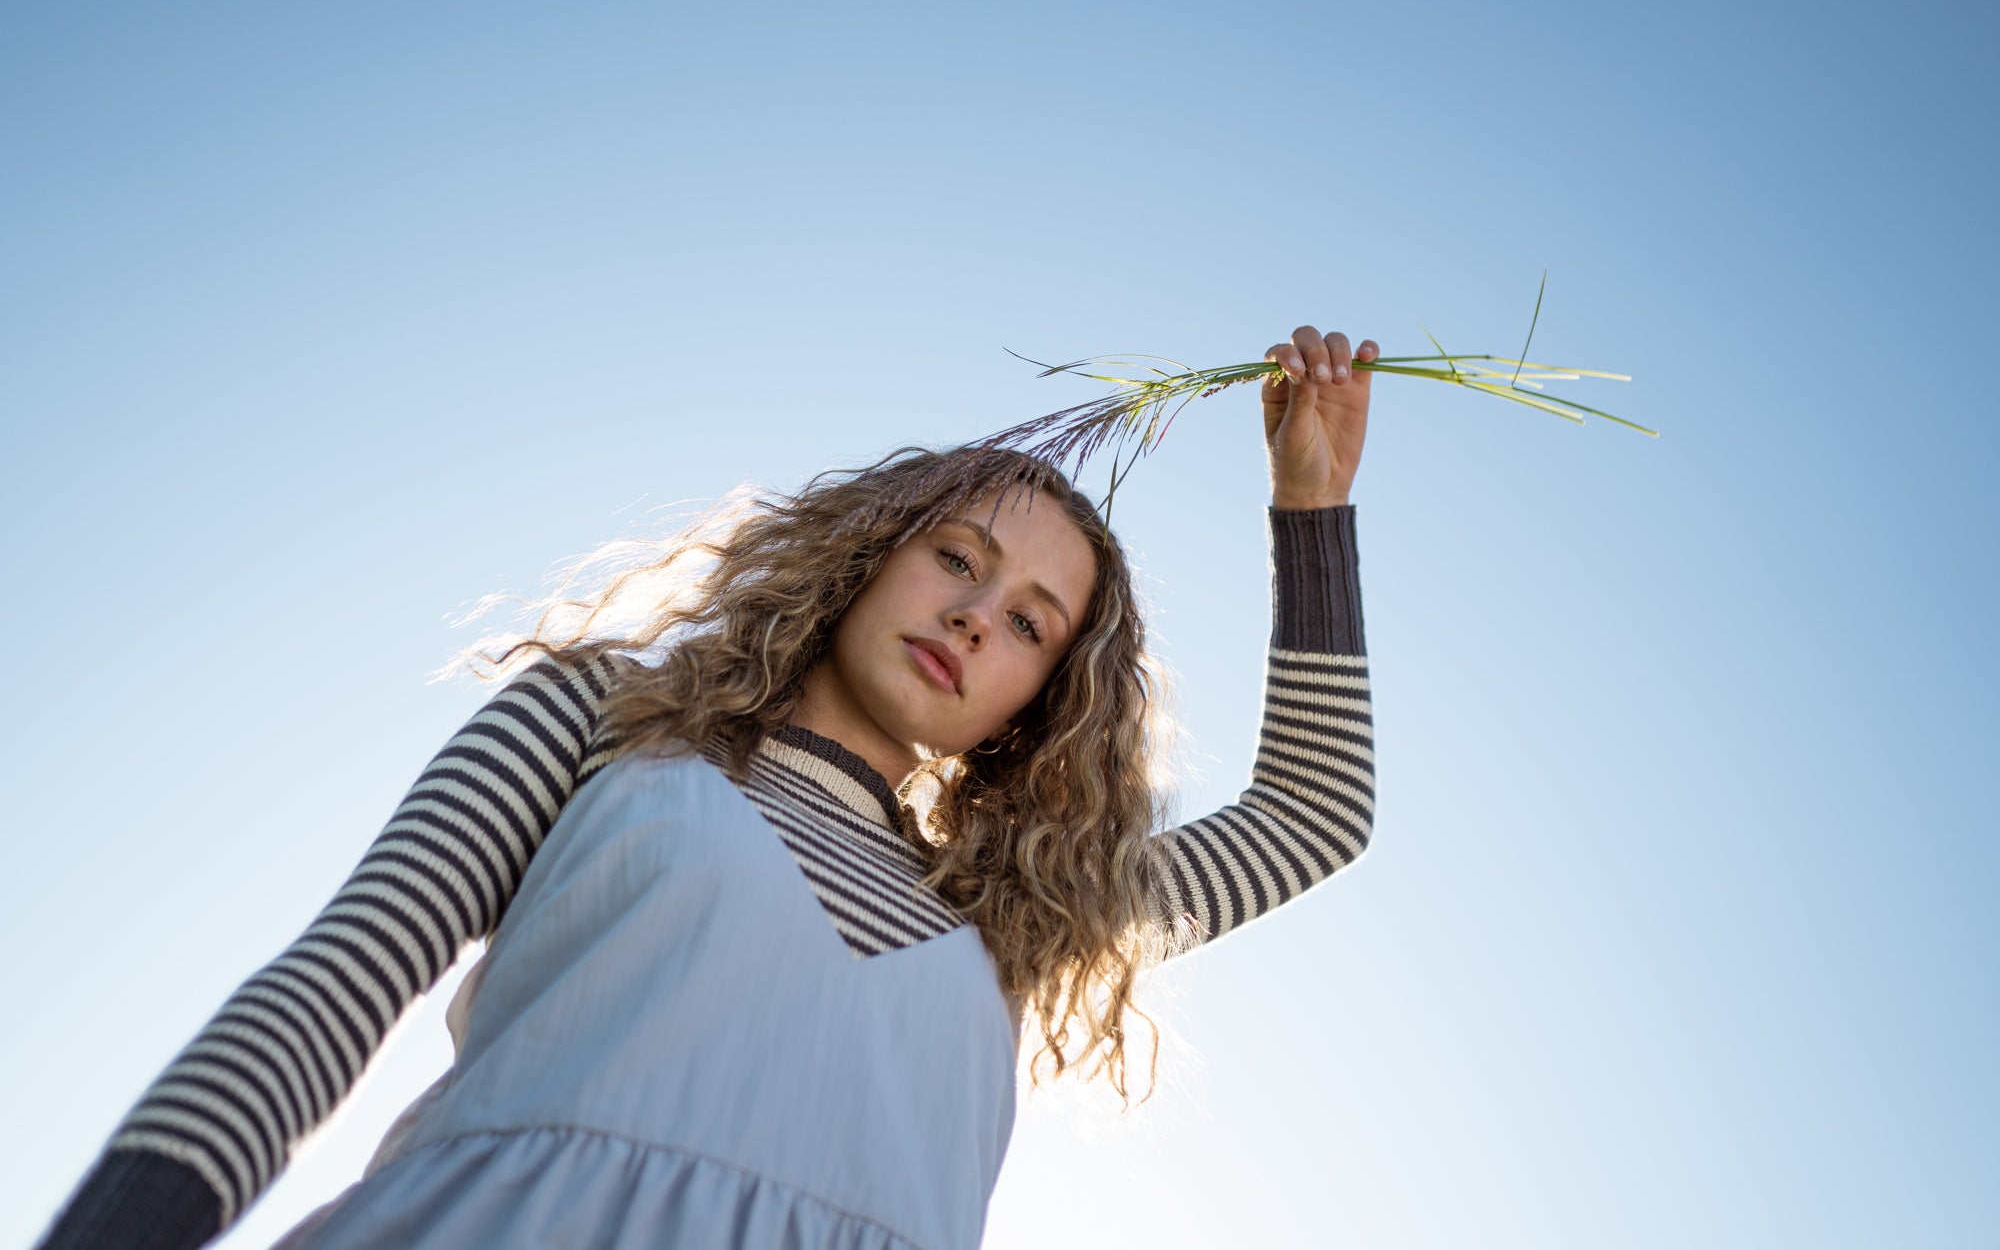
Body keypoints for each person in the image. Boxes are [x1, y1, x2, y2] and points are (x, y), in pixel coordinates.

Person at [38, 327, 1382, 1250]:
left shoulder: (1015, 914)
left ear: (1041, 700)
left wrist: (1310, 502)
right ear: (864, 554)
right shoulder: (599, 724)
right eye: (957, 559)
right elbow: (336, 985)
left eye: (1032, 623)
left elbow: (1318, 810)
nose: (977, 618)